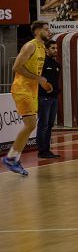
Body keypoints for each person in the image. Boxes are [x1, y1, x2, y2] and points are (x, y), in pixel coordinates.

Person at [2, 21, 52, 176]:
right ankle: (10, 158)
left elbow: (35, 73)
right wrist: (38, 79)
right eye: (46, 29)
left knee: (30, 126)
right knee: (30, 124)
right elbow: (16, 67)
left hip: (32, 90)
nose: (49, 31)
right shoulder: (30, 46)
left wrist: (43, 83)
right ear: (37, 31)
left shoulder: (42, 48)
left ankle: (14, 158)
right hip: (21, 89)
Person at [36, 39, 61, 160]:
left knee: (50, 125)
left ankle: (47, 150)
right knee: (43, 124)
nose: (55, 50)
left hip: (54, 98)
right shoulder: (42, 63)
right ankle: (42, 150)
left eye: (56, 48)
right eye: (53, 48)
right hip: (44, 98)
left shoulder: (57, 65)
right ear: (46, 49)